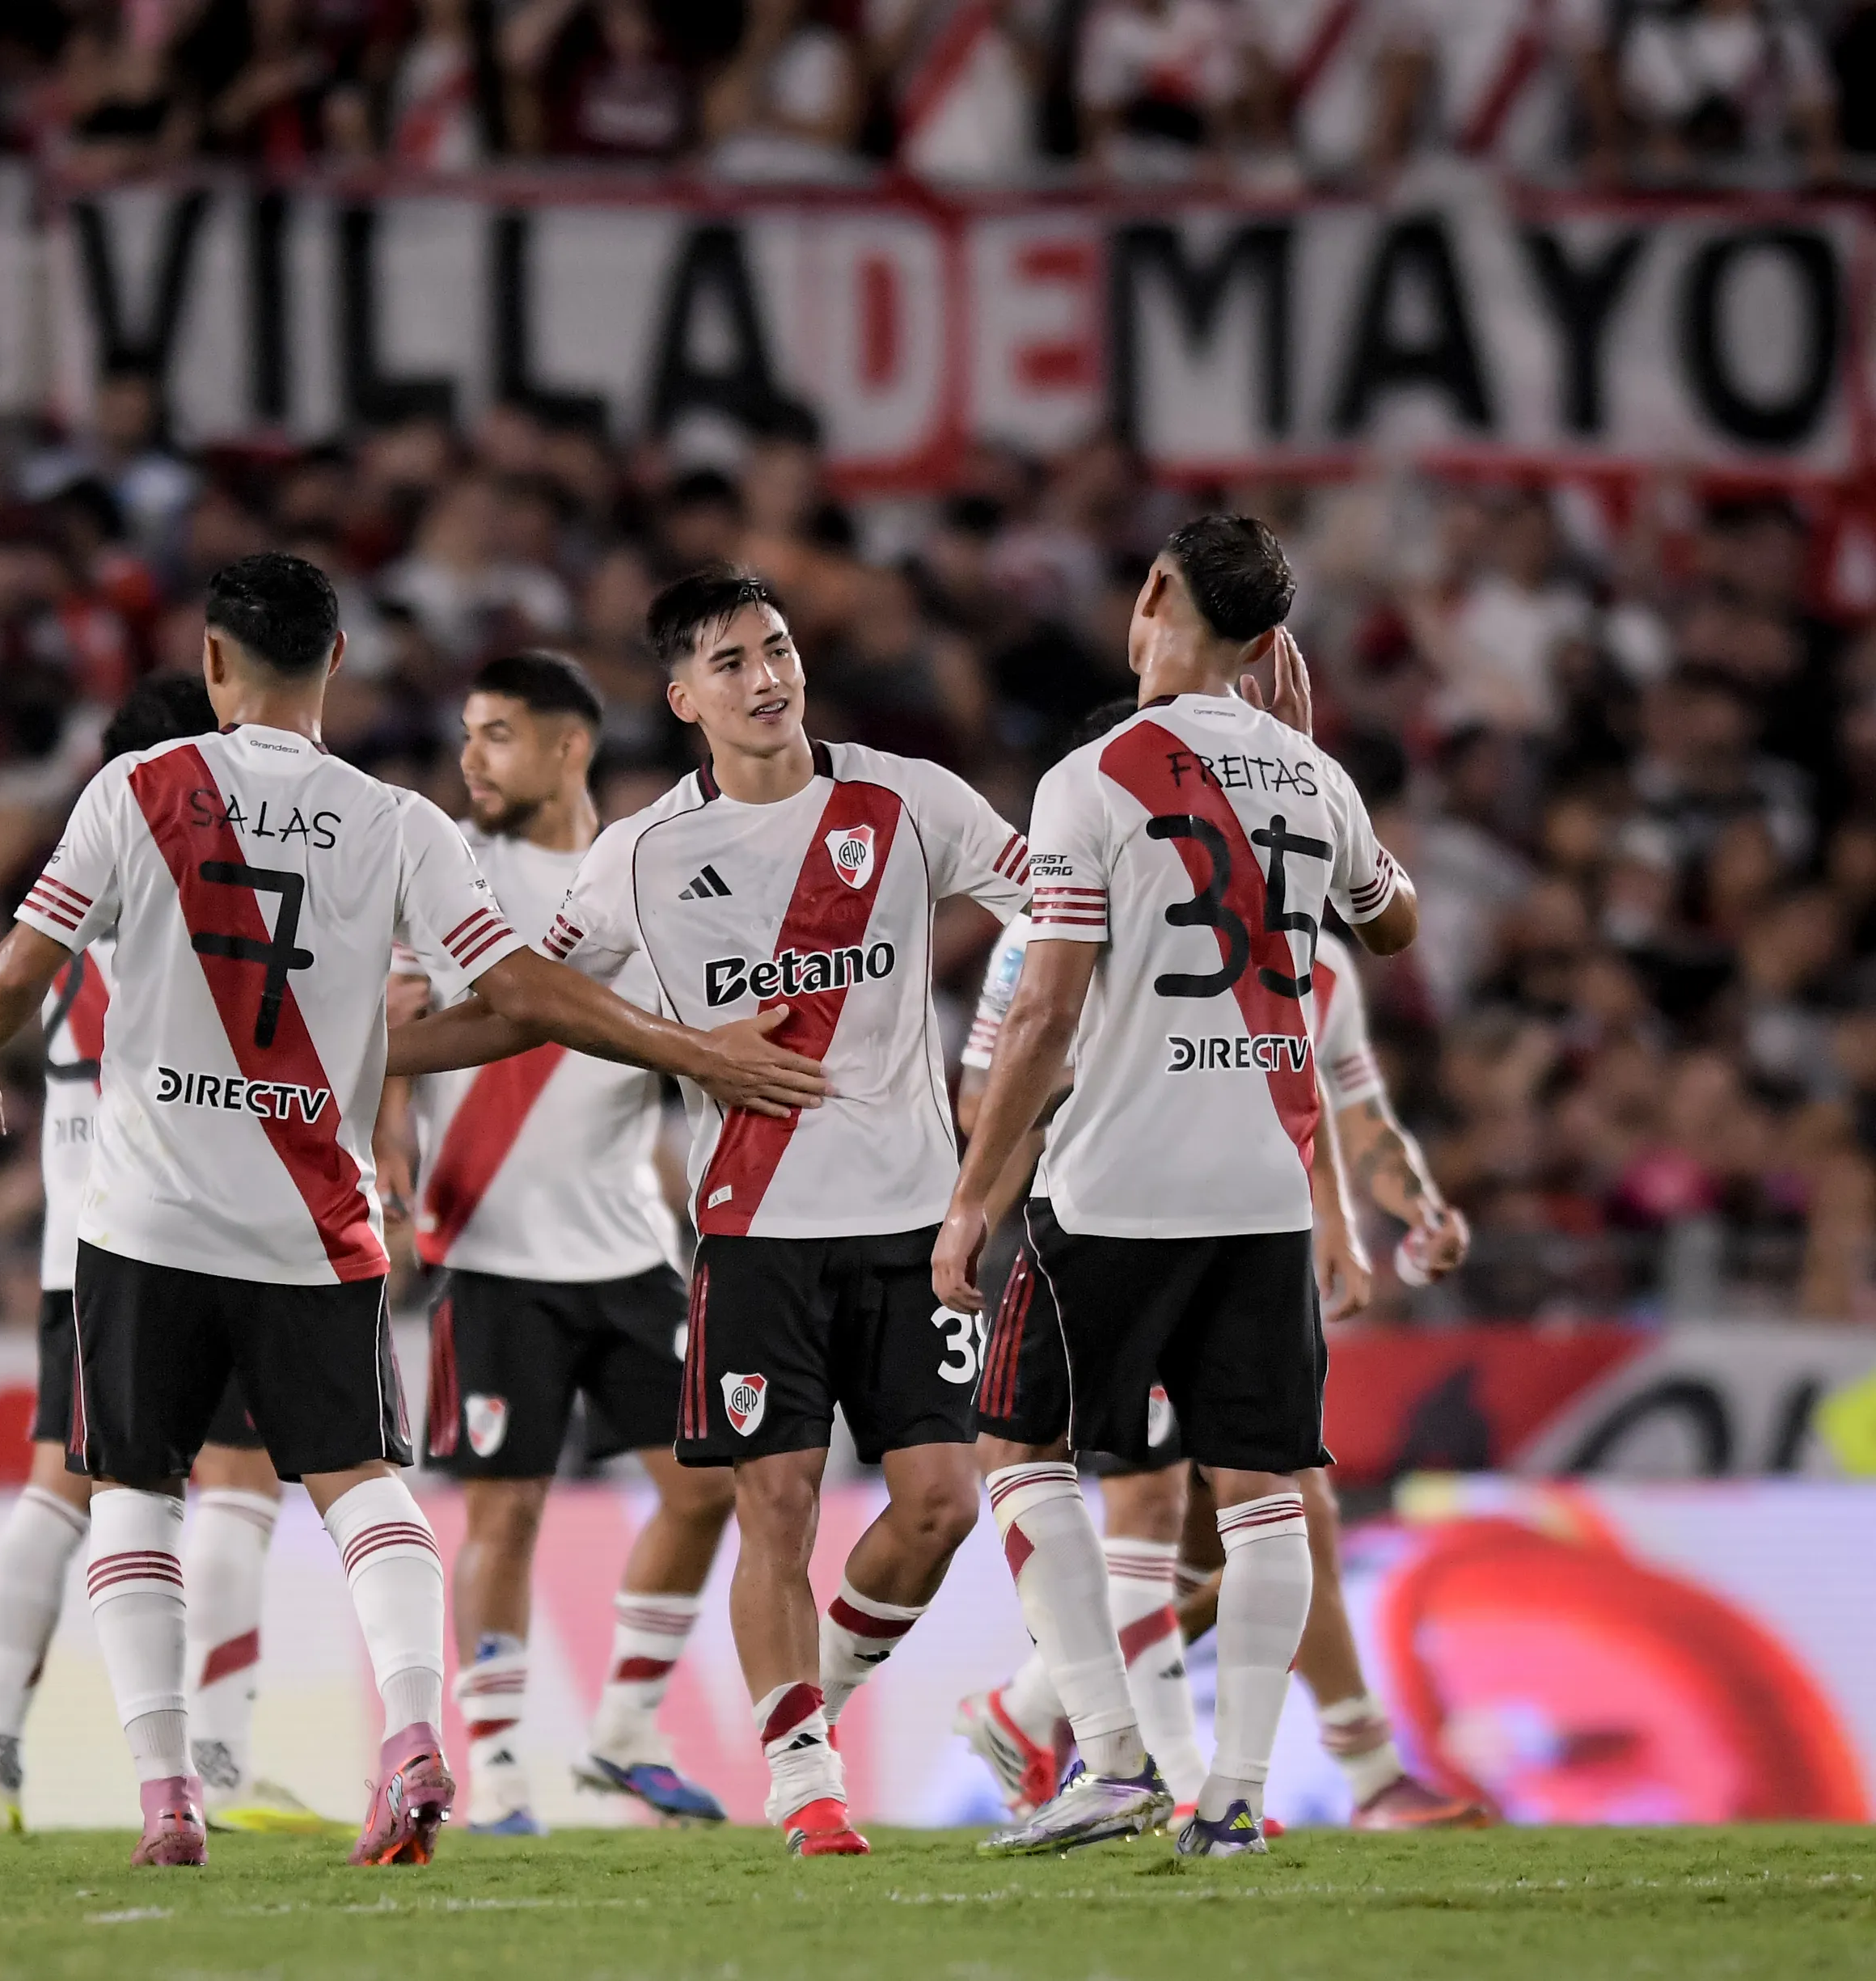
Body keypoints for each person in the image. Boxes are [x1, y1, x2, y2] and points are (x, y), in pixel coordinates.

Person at [0, 551, 826, 1869]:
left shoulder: (139, 788)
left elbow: (23, 964)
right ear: (336, 663)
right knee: (366, 1491)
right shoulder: (400, 822)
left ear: (216, 663)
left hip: (151, 1219)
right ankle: (414, 1732)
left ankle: (169, 1789)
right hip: (314, 1214)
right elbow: (522, 992)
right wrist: (692, 1049)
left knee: (131, 1494)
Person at [394, 568, 1035, 1857]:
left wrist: (993, 1057)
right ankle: (805, 1780)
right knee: (775, 1507)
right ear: (684, 698)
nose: (767, 677)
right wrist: (375, 1059)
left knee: (941, 1507)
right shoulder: (641, 853)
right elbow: (527, 1000)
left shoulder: (909, 802)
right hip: (752, 1235)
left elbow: (1051, 914)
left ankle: (817, 1703)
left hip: (912, 1227)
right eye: (731, 663)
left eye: (779, 648)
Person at [939, 513, 1419, 1859]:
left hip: (1116, 1187)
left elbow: (1039, 1017)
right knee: (1264, 1488)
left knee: (1021, 1450)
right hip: (1263, 1188)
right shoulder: (1316, 780)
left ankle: (1104, 1755)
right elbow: (1395, 920)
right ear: (1274, 645)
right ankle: (1238, 1798)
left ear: (1153, 593)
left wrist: (974, 1196)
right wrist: (1309, 760)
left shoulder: (1091, 778)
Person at [953, 883, 1490, 1830]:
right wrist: (976, 1211)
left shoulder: (1312, 955)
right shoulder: (1063, 922)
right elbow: (984, 1091)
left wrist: (1401, 1207)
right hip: (1112, 1232)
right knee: (1154, 1498)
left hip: (1243, 1241)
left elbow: (1339, 1102)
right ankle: (1188, 1774)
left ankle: (1043, 1710)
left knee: (1282, 1504)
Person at [0, 670, 341, 1840]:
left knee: (59, 1487)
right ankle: (217, 1761)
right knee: (231, 1483)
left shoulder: (75, 895)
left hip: (84, 1245)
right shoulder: (202, 889)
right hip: (191, 1232)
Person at [380, 652, 736, 1835]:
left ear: (568, 745)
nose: (471, 759)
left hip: (630, 1247)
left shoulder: (642, 869)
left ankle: (623, 1734)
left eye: (495, 735)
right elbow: (393, 1027)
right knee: (505, 1510)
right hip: (489, 1249)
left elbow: (686, 1036)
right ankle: (502, 1775)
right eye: (467, 734)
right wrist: (389, 1165)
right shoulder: (448, 872)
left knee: (704, 1492)